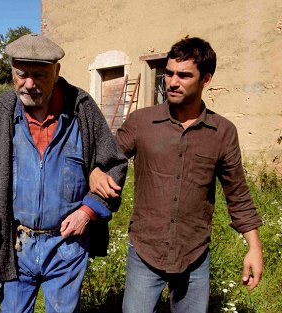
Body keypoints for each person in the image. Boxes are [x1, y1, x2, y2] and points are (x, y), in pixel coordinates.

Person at [0, 33, 128, 313]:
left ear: (57, 72)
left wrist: (88, 211)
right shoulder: (1, 112)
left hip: (66, 244)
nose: (29, 84)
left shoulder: (82, 109)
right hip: (15, 243)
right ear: (12, 71)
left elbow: (114, 164)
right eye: (21, 74)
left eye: (39, 75)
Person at [90, 37, 263, 312]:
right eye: (169, 73)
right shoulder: (141, 122)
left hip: (194, 253)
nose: (172, 81)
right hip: (145, 250)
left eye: (184, 75)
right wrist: (94, 172)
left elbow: (238, 194)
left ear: (205, 79)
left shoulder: (222, 132)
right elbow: (104, 157)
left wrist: (254, 247)